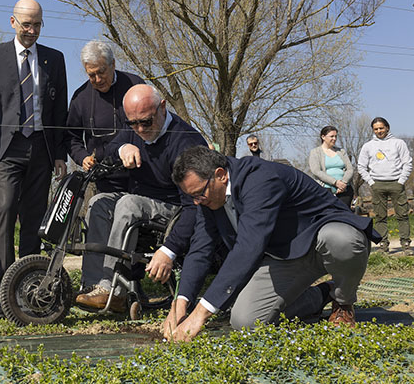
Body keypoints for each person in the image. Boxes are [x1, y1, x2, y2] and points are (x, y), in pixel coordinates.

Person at [162, 146, 379, 342]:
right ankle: (323, 293)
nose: (196, 202)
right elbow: (200, 247)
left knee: (343, 240)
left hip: (323, 239)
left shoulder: (260, 178)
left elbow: (248, 247)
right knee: (245, 321)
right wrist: (181, 303)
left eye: (199, 194)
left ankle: (343, 301)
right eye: (192, 197)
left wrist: (200, 314)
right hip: (286, 256)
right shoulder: (208, 199)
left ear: (220, 175)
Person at [0, 0, 68, 317]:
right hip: (6, 149)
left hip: (41, 148)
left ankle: (26, 292)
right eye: (26, 24)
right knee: (5, 210)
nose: (32, 31)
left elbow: (59, 112)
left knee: (34, 220)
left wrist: (60, 154)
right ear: (13, 22)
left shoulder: (55, 60)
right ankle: (1, 292)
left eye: (37, 24)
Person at [74, 84, 207, 312]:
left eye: (146, 121)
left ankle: (114, 291)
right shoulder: (134, 129)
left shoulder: (185, 142)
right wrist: (123, 147)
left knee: (128, 204)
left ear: (162, 107)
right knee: (99, 202)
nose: (140, 129)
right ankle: (92, 285)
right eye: (132, 123)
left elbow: (195, 206)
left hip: (174, 206)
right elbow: (110, 148)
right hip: (140, 199)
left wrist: (170, 248)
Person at [66, 40, 144, 192]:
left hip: (142, 173)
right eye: (91, 75)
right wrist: (82, 157)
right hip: (106, 180)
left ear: (113, 64)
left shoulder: (135, 85)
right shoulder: (80, 98)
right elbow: (71, 137)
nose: (98, 80)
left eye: (101, 72)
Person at [357, 117, 413, 255]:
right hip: (377, 185)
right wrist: (371, 182)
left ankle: (406, 245)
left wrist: (401, 181)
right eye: (376, 129)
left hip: (396, 184)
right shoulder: (368, 146)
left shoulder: (398, 143)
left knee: (402, 215)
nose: (379, 131)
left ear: (387, 127)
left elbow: (407, 163)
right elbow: (361, 166)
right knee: (380, 216)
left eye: (381, 128)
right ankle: (383, 246)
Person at [308, 126, 354, 208]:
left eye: (336, 136)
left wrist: (343, 183)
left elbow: (350, 169)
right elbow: (316, 171)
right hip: (326, 189)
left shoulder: (341, 151)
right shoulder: (315, 152)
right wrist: (335, 182)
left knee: (344, 213)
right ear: (323, 137)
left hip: (344, 189)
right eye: (331, 136)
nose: (334, 138)